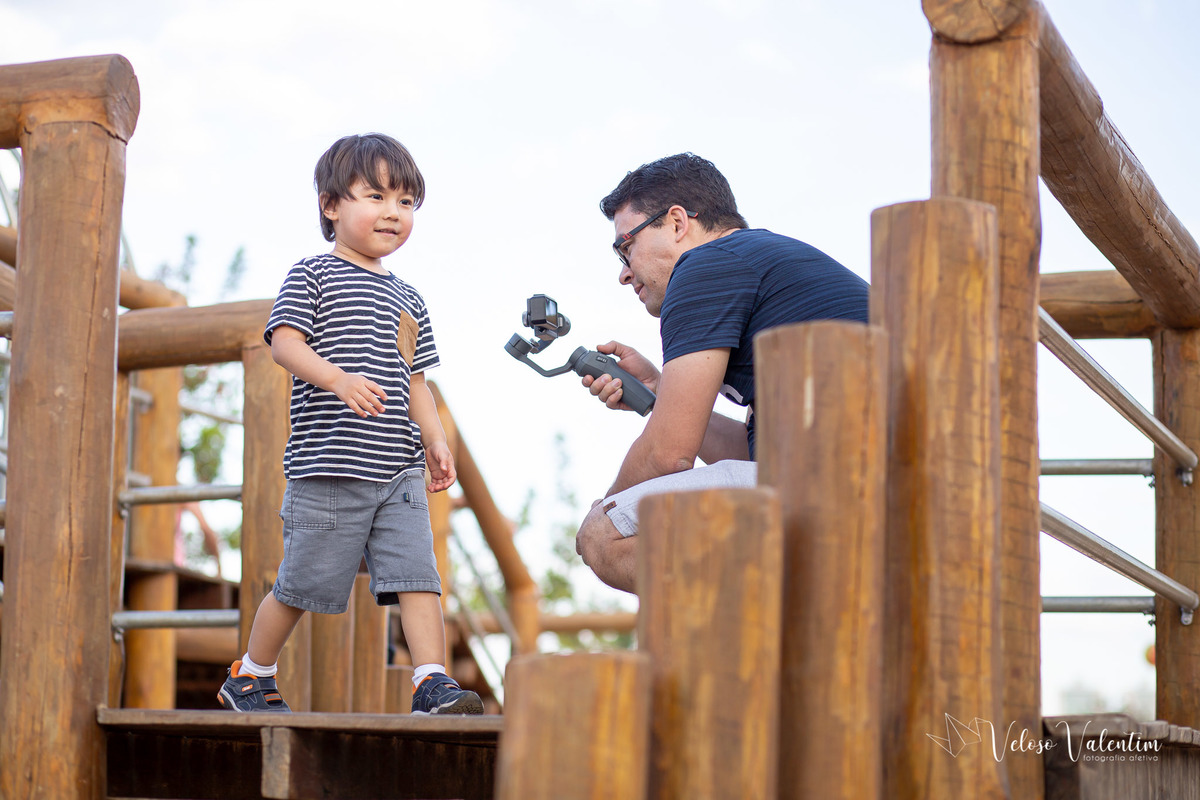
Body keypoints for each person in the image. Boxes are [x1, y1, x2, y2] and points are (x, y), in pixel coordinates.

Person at [217, 133, 482, 715]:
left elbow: (415, 381)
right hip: (331, 466)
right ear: (330, 204)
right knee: (302, 584)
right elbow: (285, 344)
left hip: (399, 469)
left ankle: (431, 682)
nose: (393, 212)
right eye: (376, 196)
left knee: (419, 575)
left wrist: (434, 439)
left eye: (407, 202)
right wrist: (337, 379)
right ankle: (251, 674)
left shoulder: (410, 298)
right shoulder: (312, 273)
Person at [574, 153, 870, 594]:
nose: (623, 272)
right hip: (867, 479)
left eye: (625, 246)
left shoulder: (705, 265)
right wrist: (659, 395)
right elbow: (758, 457)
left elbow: (669, 455)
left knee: (604, 535)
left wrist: (604, 509)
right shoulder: (766, 262)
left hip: (837, 488)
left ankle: (754, 651)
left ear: (676, 222)